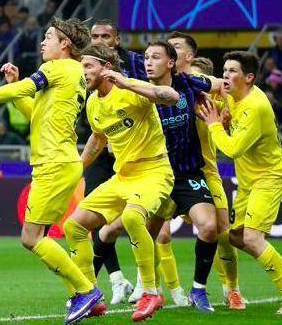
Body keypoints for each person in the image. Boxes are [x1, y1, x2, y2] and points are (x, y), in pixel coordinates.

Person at [0, 18, 103, 324]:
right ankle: (83, 295)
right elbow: (35, 113)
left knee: (31, 238)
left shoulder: (57, 68)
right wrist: (14, 85)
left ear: (65, 44)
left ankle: (86, 291)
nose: (43, 42)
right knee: (41, 236)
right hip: (60, 163)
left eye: (49, 37)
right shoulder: (72, 73)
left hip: (54, 164)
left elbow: (26, 88)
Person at [62, 44, 178, 322]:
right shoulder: (93, 102)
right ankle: (90, 294)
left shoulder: (130, 88)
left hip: (154, 171)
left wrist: (128, 84)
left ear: (106, 67)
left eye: (88, 66)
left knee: (132, 217)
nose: (82, 71)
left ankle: (150, 291)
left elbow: (171, 96)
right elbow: (98, 138)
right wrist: (76, 170)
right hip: (122, 177)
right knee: (73, 226)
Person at [196, 51, 282, 315]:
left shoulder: (255, 106)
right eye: (224, 70)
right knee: (236, 237)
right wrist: (220, 117)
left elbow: (232, 149)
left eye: (232, 71)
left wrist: (214, 125)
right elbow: (219, 107)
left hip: (268, 178)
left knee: (252, 237)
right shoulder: (232, 95)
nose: (225, 76)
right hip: (249, 180)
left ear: (248, 78)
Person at [140, 40, 221, 312]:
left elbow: (220, 84)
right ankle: (149, 289)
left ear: (171, 63)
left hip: (187, 174)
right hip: (155, 175)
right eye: (146, 57)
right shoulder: (140, 92)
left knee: (209, 227)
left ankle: (198, 289)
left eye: (155, 57)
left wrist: (220, 103)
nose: (148, 62)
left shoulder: (187, 83)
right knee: (146, 235)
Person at [80, 19, 145, 304]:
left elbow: (154, 94)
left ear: (116, 40)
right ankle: (117, 279)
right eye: (94, 36)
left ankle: (145, 281)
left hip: (136, 154)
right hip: (101, 148)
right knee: (94, 214)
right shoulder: (86, 67)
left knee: (137, 216)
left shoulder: (137, 63)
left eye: (105, 36)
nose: (99, 40)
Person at [179, 47, 245, 309]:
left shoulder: (214, 106)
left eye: (198, 81)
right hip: (173, 173)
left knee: (219, 232)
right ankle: (152, 288)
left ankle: (232, 289)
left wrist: (225, 117)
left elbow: (229, 115)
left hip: (207, 172)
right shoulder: (173, 97)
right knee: (155, 231)